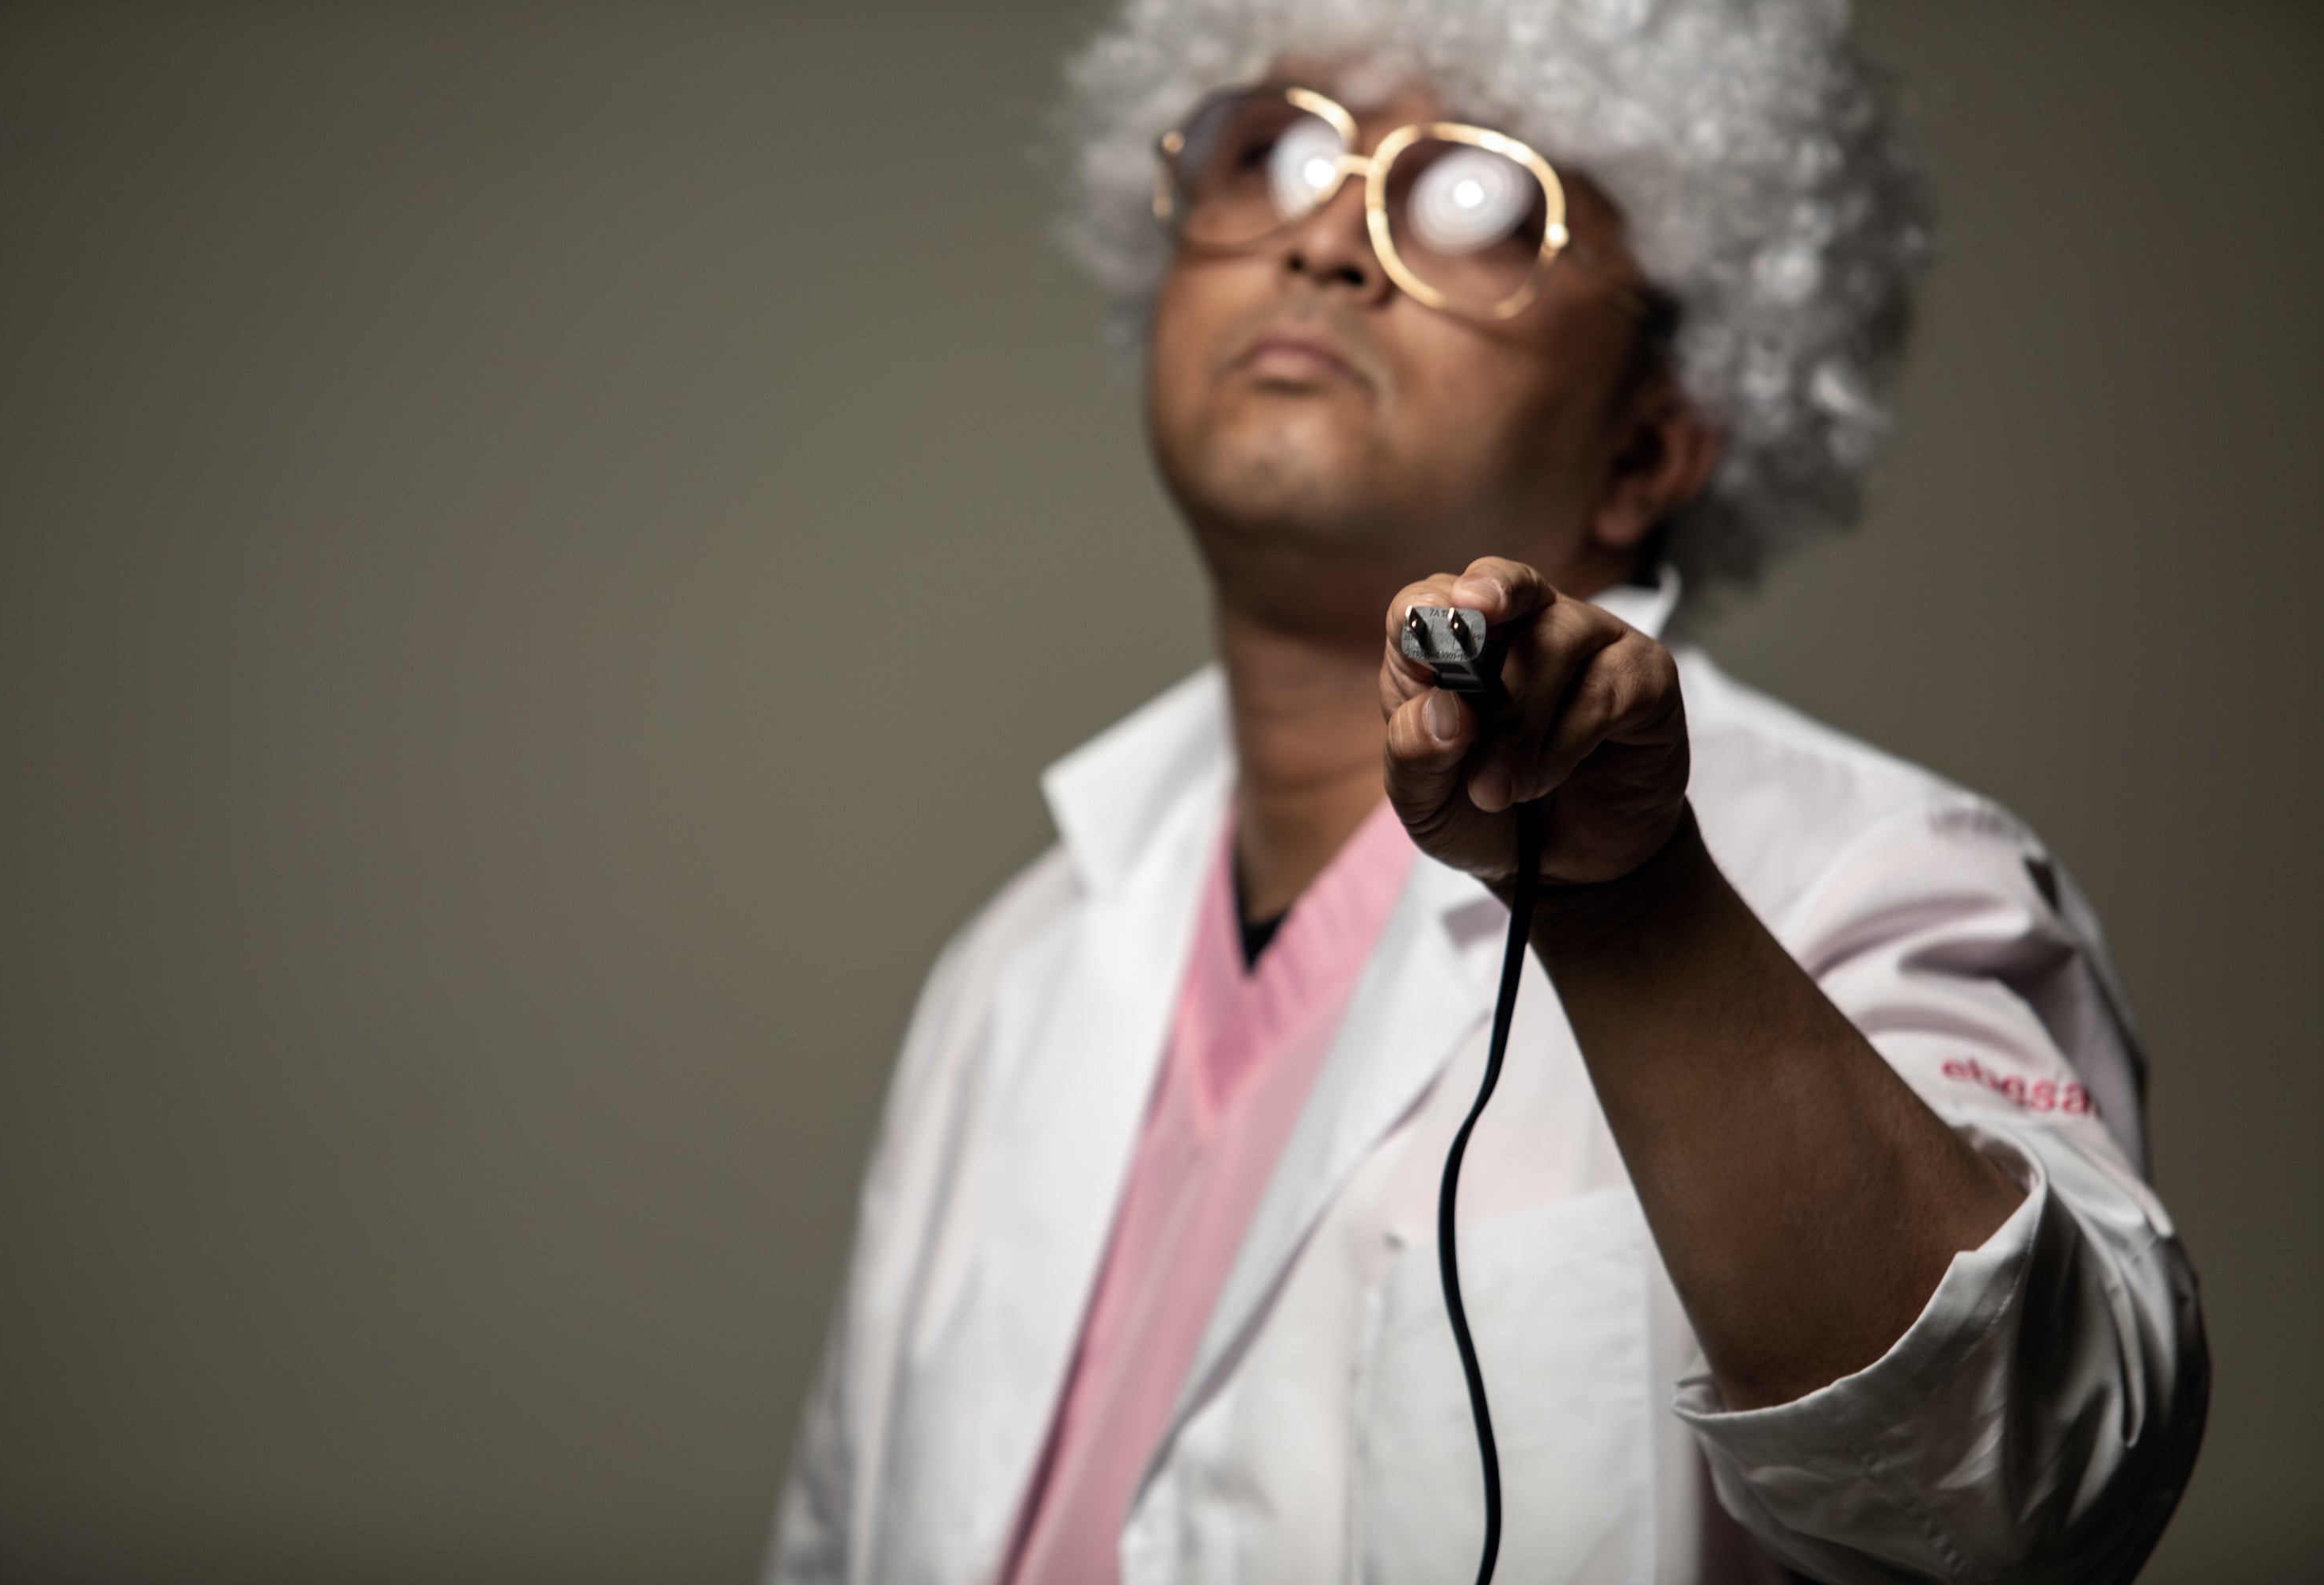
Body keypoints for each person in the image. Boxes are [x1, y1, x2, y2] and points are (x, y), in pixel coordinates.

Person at [764, 1, 2207, 1579]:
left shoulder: (1871, 872)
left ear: (1648, 449)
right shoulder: (1006, 970)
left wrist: (1637, 918)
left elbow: (2015, 1491)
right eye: (1279, 154)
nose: (1327, 243)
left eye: (1476, 200)